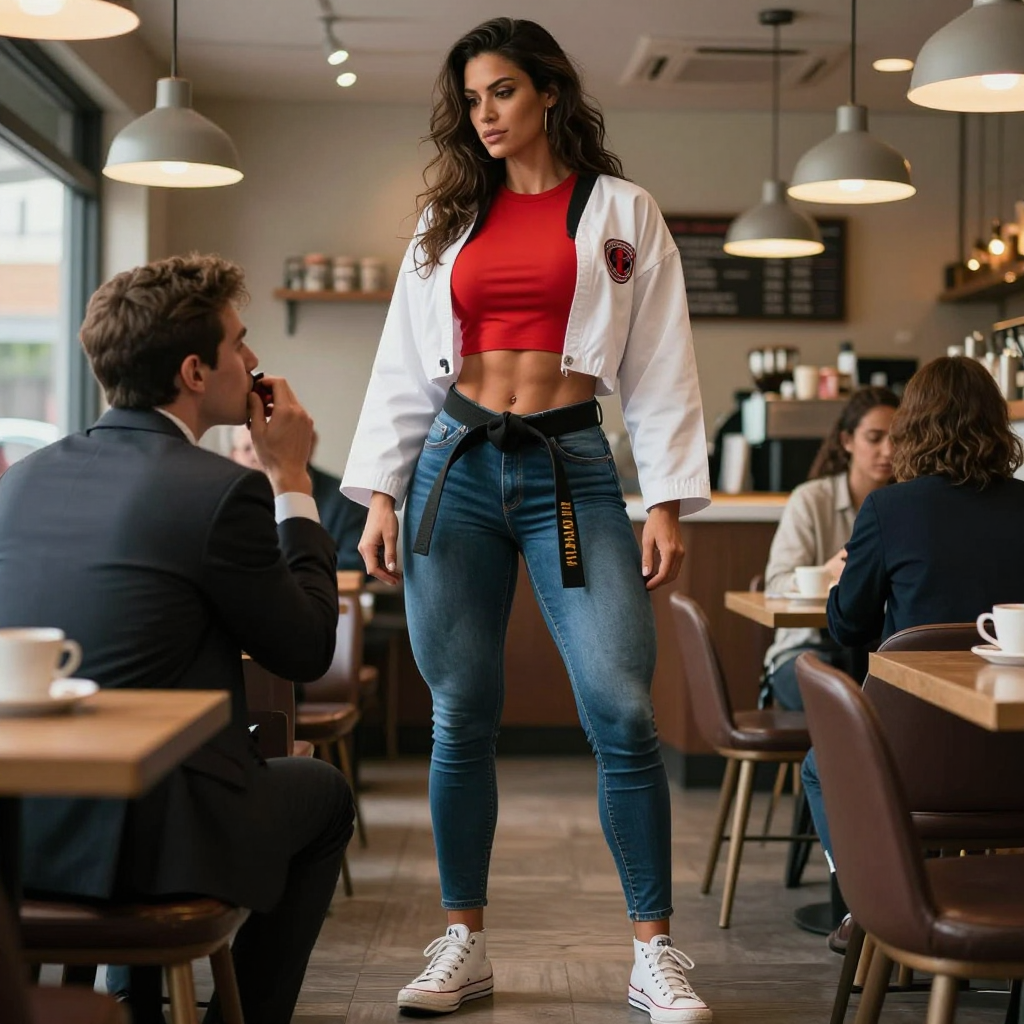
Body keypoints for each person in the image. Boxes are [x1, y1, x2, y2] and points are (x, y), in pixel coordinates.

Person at [342, 17, 711, 1023]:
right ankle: (463, 941)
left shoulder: (621, 211)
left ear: (549, 91)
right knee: (461, 714)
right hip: (452, 468)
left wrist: (666, 499)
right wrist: (379, 490)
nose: (484, 114)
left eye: (501, 91)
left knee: (622, 709)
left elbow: (660, 365)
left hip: (570, 467)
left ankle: (654, 952)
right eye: (470, 99)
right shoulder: (445, 220)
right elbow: (398, 367)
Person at [0, 254, 353, 1024]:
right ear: (196, 371)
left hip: (23, 835)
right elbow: (303, 650)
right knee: (323, 793)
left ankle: (135, 999)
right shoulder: (219, 488)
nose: (255, 361)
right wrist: (290, 475)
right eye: (240, 342)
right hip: (155, 843)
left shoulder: (19, 479)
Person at [801, 355, 1024, 952]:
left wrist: (847, 584)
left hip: (915, 759)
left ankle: (866, 903)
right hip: (1015, 762)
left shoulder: (889, 510)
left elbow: (846, 625)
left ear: (914, 427)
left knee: (819, 767)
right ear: (997, 424)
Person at [762, 386, 898, 711]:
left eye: (898, 438)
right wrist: (826, 574)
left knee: (900, 706)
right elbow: (775, 584)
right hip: (805, 652)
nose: (889, 450)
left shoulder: (906, 507)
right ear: (847, 440)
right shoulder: (810, 500)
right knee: (847, 708)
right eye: (874, 437)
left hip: (878, 654)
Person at [232, 425, 368, 572]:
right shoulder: (229, 503)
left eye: (267, 445)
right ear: (233, 455)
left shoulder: (345, 500)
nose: (258, 456)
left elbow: (356, 563)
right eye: (247, 449)